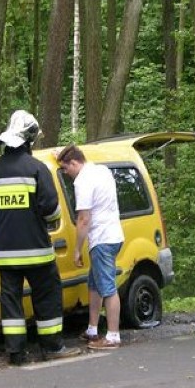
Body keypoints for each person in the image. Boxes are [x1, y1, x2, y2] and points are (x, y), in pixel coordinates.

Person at [0, 111, 80, 365]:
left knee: (11, 302)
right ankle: (52, 347)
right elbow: (52, 209)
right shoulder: (36, 168)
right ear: (28, 139)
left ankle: (16, 353)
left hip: (6, 253)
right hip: (36, 250)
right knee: (47, 295)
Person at [55, 144, 125, 350]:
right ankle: (92, 329)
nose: (66, 174)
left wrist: (77, 248)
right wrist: (60, 155)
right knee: (94, 284)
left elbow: (84, 219)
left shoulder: (82, 182)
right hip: (114, 235)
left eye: (66, 169)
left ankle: (113, 336)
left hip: (102, 239)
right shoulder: (101, 170)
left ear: (75, 163)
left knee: (107, 287)